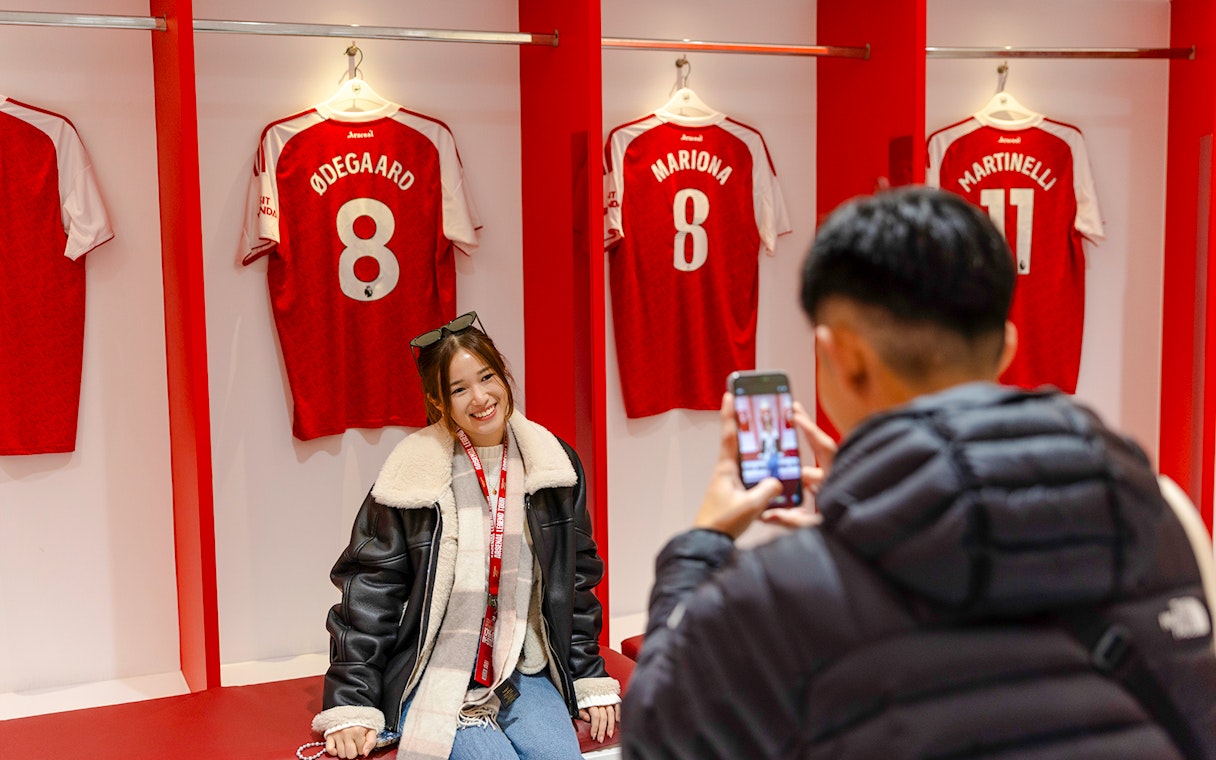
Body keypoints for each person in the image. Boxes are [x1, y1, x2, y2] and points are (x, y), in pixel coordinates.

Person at [621, 187, 1216, 759]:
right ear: (1006, 347)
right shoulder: (1163, 516)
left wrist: (701, 546)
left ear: (842, 358)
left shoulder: (777, 591)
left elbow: (658, 738)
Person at [312, 312, 620, 759]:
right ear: (440, 402)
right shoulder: (411, 475)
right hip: (437, 669)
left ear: (503, 374)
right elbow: (369, 595)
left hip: (522, 665)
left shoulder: (553, 465)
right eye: (459, 389)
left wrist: (589, 676)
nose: (480, 397)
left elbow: (575, 582)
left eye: (487, 376)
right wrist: (352, 704)